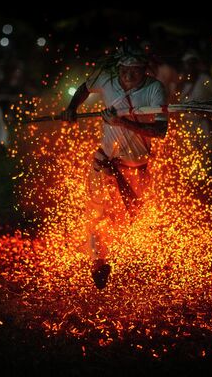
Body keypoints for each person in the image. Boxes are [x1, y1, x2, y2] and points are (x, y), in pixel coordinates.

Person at [61, 44, 168, 289]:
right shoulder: (108, 79)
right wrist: (71, 108)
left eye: (135, 71)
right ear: (118, 69)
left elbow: (160, 131)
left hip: (135, 167)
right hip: (104, 161)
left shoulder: (155, 89)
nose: (129, 76)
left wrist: (122, 123)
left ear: (144, 70)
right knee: (96, 212)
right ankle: (98, 261)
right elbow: (85, 87)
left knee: (130, 218)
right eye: (124, 71)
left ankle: (129, 257)